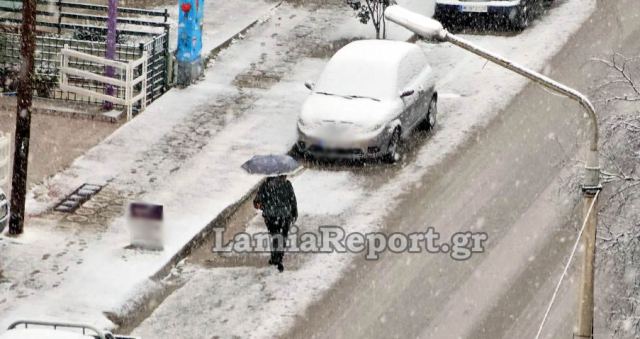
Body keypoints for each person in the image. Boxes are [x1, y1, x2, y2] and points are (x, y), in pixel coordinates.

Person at [253, 175, 298, 272]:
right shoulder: (287, 184)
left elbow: (257, 202)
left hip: (270, 216)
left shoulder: (265, 185)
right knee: (282, 236)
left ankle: (274, 257)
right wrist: (294, 213)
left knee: (275, 235)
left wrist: (264, 206)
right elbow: (292, 200)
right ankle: (278, 258)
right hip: (285, 216)